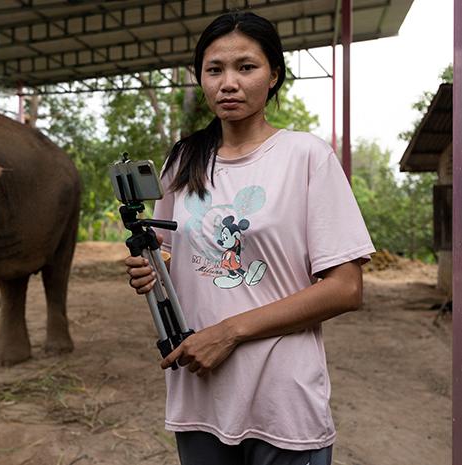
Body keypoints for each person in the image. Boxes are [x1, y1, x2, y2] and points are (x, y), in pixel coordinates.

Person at [124, 11, 375, 465]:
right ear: (200, 77)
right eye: (214, 69)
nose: (228, 83)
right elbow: (168, 254)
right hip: (199, 391)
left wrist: (228, 333)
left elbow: (346, 287)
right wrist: (149, 268)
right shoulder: (183, 162)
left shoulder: (306, 157)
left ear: (274, 74)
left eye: (246, 67)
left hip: (282, 402)